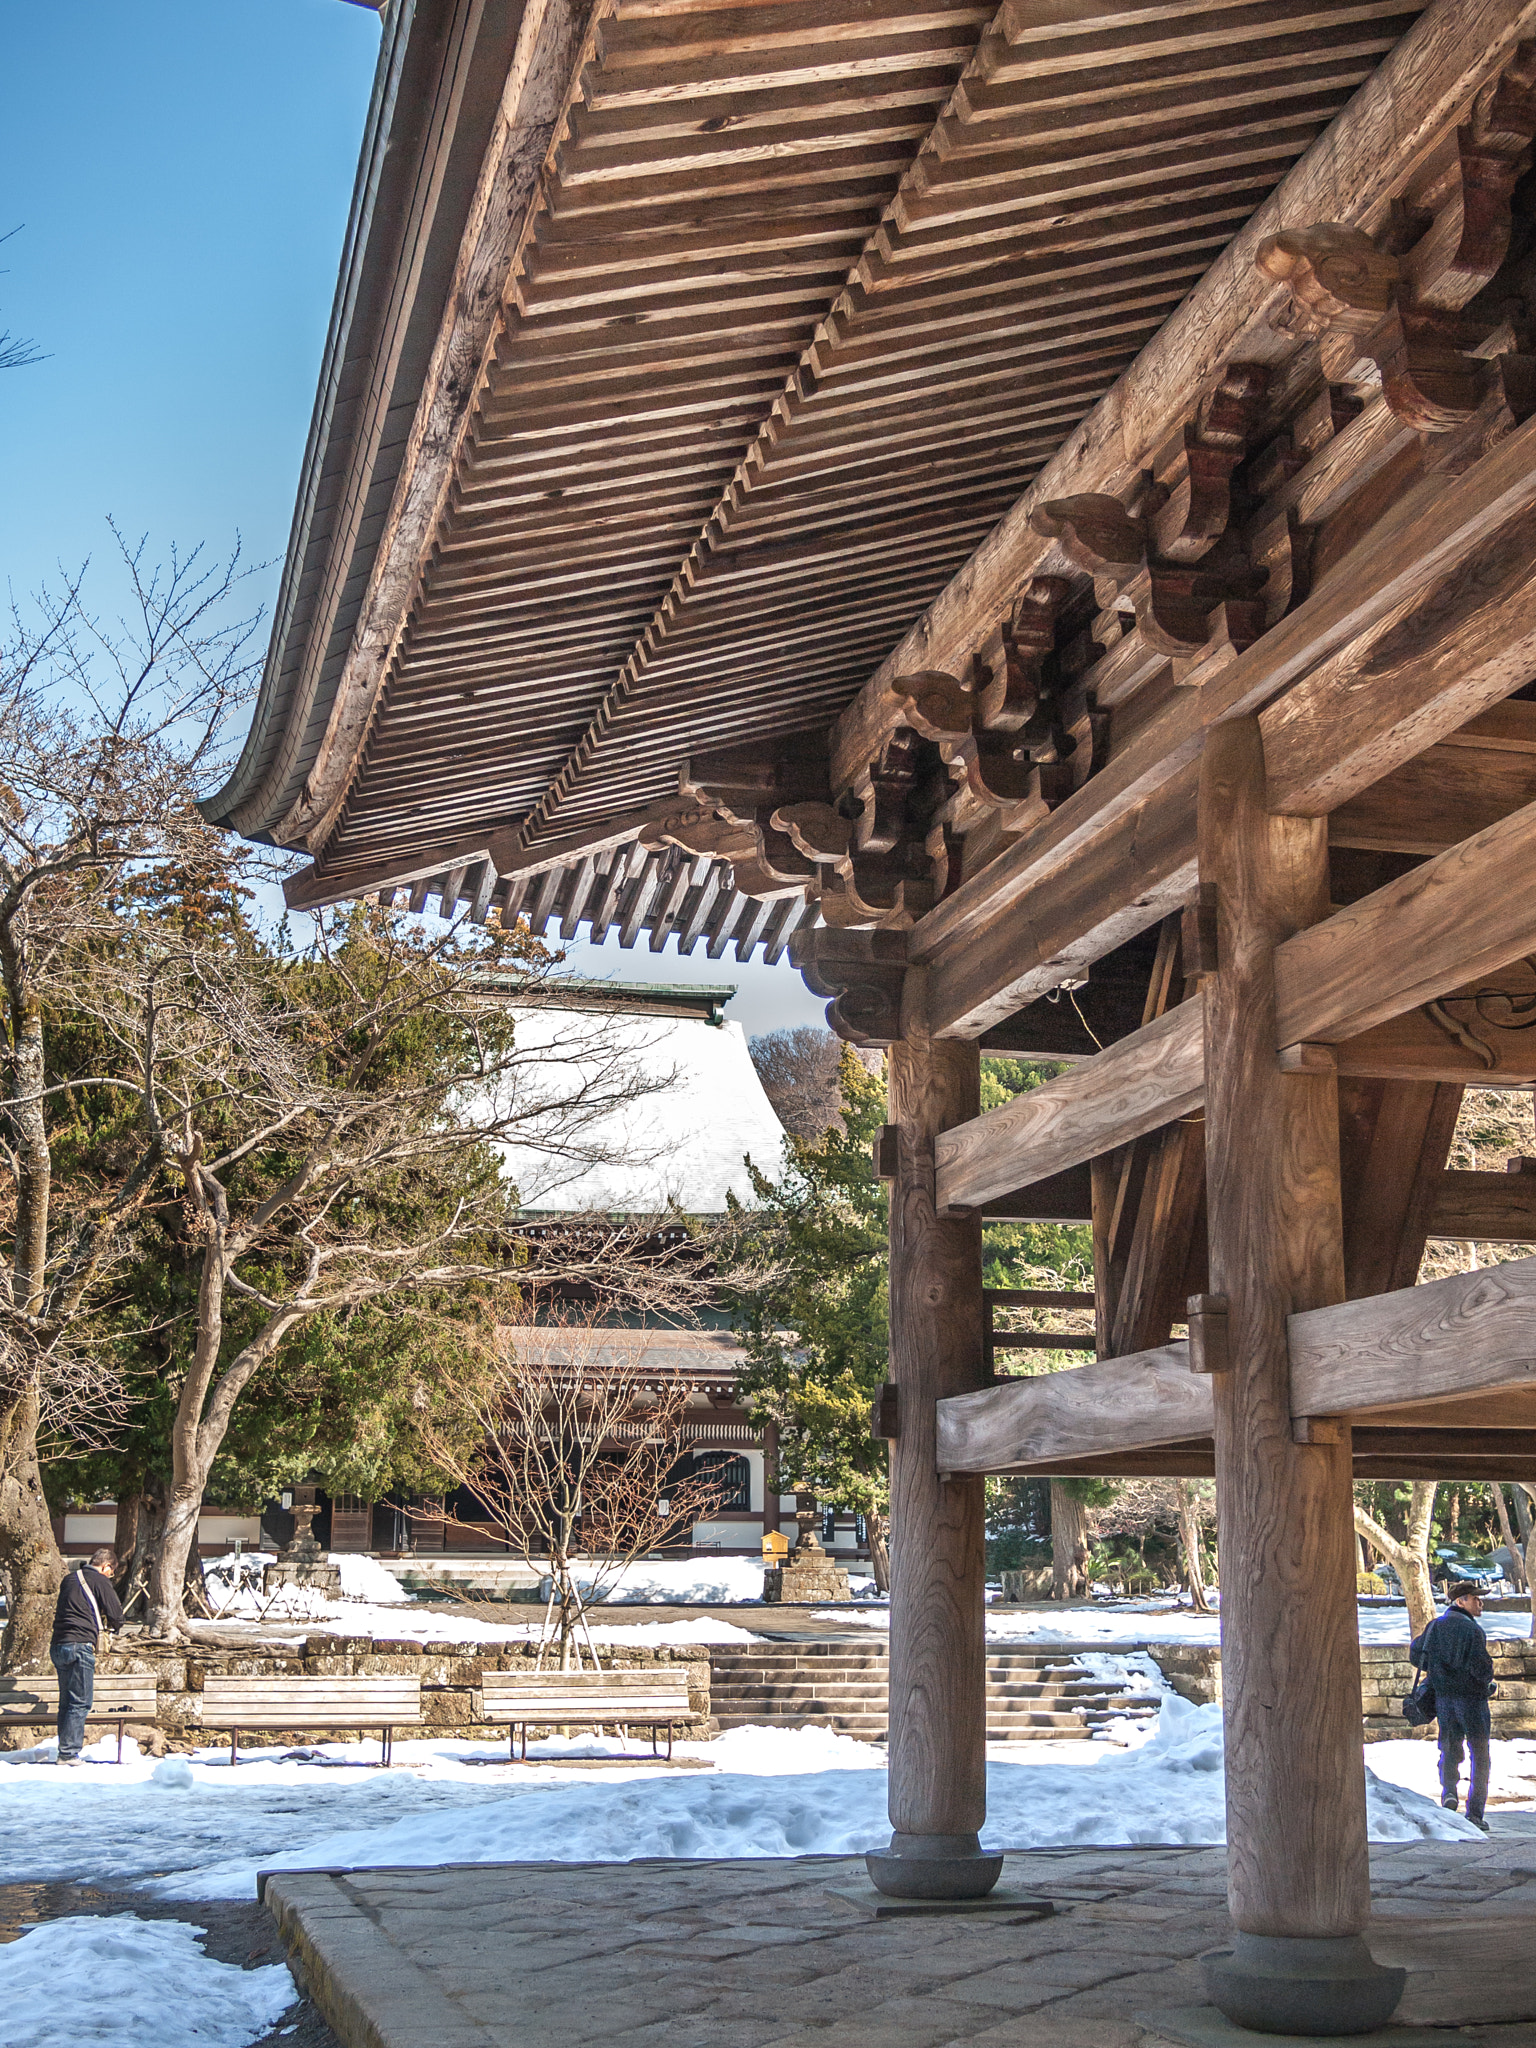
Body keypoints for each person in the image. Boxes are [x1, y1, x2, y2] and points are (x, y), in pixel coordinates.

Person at [1410, 1578, 1496, 1833]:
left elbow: (1416, 1654)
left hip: (1445, 1700)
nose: (1481, 1602)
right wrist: (1485, 1684)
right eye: (1475, 1597)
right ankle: (1475, 1812)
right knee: (1480, 1754)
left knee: (1449, 1748)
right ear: (1461, 1601)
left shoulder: (1435, 1626)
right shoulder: (1472, 1630)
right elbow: (1483, 1669)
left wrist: (1439, 1671)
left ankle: (1449, 1793)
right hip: (1472, 1701)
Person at [49, 1546, 124, 1764]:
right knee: (81, 1702)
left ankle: (64, 1748)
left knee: (66, 1702)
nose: (110, 1576)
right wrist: (116, 1626)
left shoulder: (69, 1579)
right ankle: (68, 1753)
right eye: (111, 1572)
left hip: (58, 1645)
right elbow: (116, 1614)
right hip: (79, 1645)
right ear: (106, 1566)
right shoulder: (100, 1581)